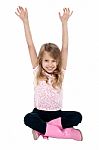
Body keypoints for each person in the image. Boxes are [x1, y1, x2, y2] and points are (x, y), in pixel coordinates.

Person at [15, 6, 83, 141]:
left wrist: (64, 23)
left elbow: (65, 47)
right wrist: (25, 21)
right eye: (46, 60)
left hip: (56, 114)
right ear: (40, 60)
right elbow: (30, 45)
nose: (50, 64)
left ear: (58, 62)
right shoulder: (37, 71)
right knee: (28, 118)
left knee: (77, 116)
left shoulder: (61, 72)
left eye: (53, 61)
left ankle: (42, 130)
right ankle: (66, 133)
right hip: (39, 113)